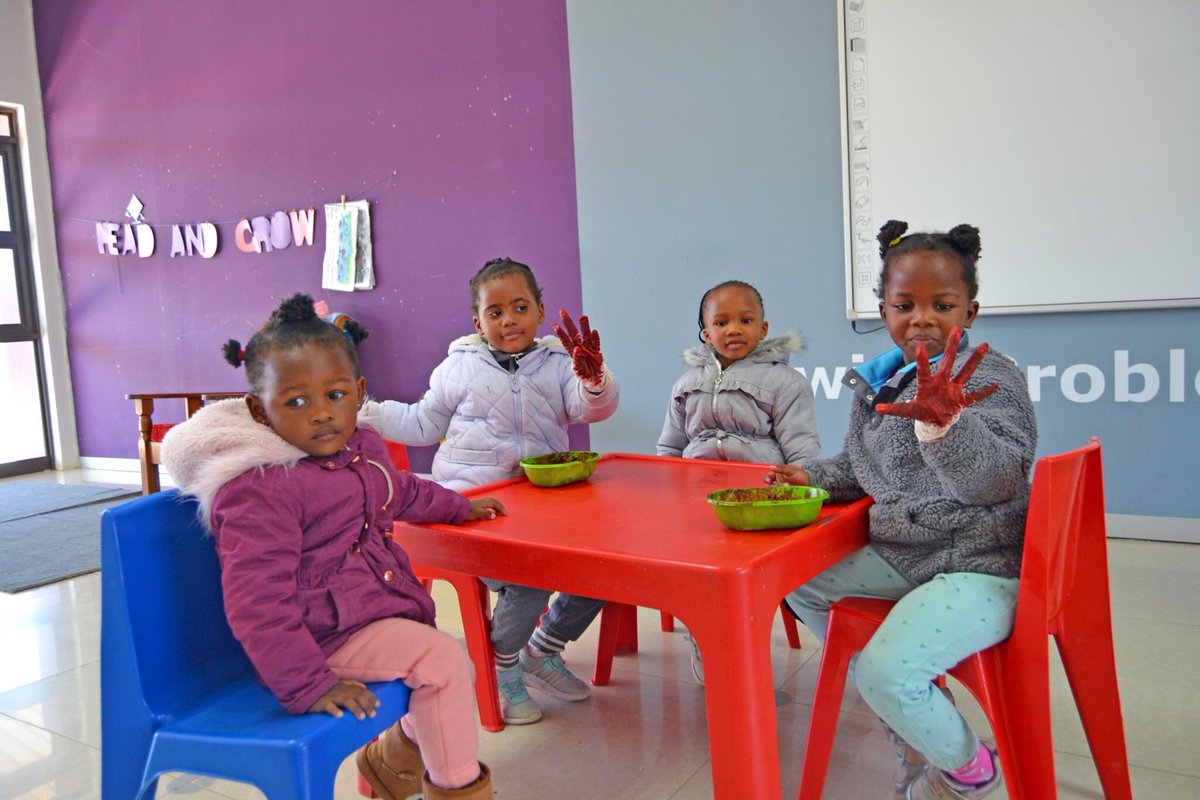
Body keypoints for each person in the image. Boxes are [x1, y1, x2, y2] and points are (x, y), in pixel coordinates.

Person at [160, 294, 503, 800]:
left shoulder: (359, 447)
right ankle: (458, 789)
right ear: (260, 409)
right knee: (444, 661)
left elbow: (398, 489)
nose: (321, 414)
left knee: (446, 661)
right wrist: (308, 683)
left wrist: (455, 505)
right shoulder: (259, 488)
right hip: (319, 638)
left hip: (370, 610)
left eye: (336, 395)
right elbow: (258, 605)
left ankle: (397, 756)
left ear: (359, 392)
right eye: (296, 402)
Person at [767, 221, 1036, 800]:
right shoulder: (882, 381)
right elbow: (865, 468)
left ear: (972, 310)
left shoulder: (991, 377)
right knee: (800, 582)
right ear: (883, 308)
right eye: (905, 304)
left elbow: (998, 481)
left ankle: (972, 772)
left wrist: (948, 424)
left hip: (980, 564)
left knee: (886, 674)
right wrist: (809, 476)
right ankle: (905, 709)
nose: (923, 319)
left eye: (943, 305)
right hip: (911, 556)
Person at [362, 257, 620, 725]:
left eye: (520, 307)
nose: (508, 320)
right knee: (531, 578)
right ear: (477, 321)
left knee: (605, 564)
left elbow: (590, 410)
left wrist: (595, 380)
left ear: (539, 311)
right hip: (471, 507)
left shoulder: (558, 363)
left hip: (541, 504)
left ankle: (542, 651)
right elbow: (422, 424)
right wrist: (366, 413)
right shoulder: (458, 366)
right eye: (494, 312)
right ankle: (503, 669)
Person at [657, 278, 822, 682]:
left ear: (763, 329)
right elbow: (669, 448)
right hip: (699, 501)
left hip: (759, 498)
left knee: (750, 580)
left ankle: (747, 635)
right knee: (696, 576)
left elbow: (802, 449)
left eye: (745, 320)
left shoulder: (786, 383)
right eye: (722, 322)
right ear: (706, 332)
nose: (734, 330)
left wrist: (802, 487)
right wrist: (665, 497)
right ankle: (704, 636)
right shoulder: (685, 384)